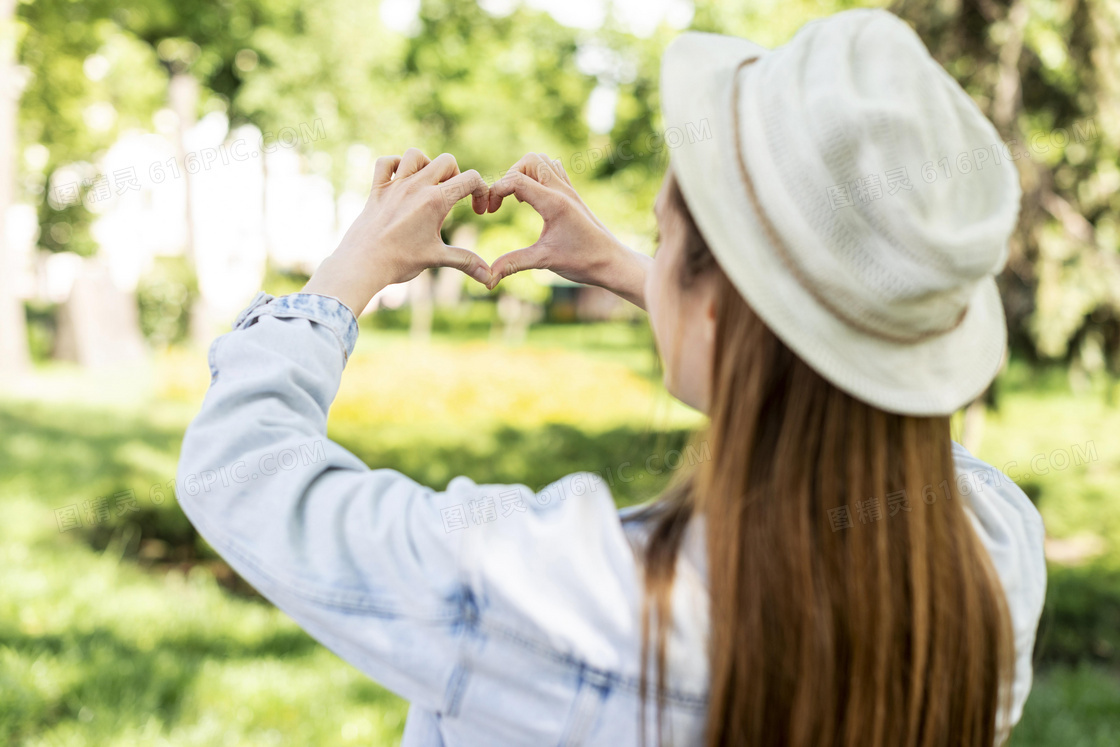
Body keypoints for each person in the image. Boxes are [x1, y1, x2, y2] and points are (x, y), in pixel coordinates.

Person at [177, 8, 1046, 746]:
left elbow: (242, 472)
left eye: (667, 242)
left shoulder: (571, 599)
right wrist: (643, 272)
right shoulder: (991, 556)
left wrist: (345, 274)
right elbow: (858, 400)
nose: (652, 259)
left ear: (714, 311)